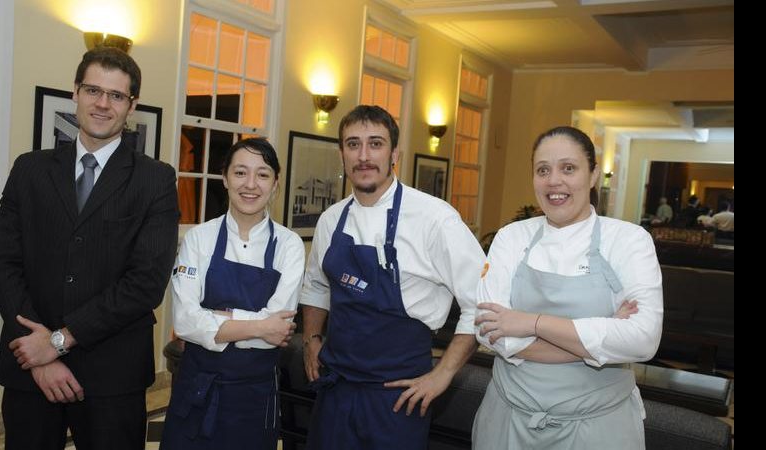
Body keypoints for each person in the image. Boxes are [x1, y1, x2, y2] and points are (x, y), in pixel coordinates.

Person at [0, 47, 180, 449]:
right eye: (93, 90)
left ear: (132, 105)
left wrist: (57, 341)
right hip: (30, 370)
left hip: (112, 374)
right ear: (75, 92)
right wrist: (40, 355)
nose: (103, 104)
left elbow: (145, 283)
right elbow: (4, 262)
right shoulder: (29, 169)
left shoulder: (155, 180)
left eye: (116, 95)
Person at [300, 105, 484, 450]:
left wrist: (442, 374)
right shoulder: (331, 219)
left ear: (394, 153)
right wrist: (311, 338)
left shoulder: (435, 219)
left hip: (399, 397)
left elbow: (484, 302)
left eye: (376, 144)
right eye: (353, 144)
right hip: (336, 388)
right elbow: (317, 286)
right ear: (342, 154)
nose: (364, 156)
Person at [472, 126, 663, 449]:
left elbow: (643, 339)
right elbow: (488, 331)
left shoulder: (628, 240)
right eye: (543, 170)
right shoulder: (511, 237)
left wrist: (532, 323)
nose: (554, 181)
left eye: (569, 168)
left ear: (592, 176)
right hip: (507, 421)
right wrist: (598, 343)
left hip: (599, 429)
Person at [160, 138, 305, 449]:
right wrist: (259, 326)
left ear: (275, 183)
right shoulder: (199, 238)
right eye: (240, 173)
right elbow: (185, 322)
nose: (250, 184)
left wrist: (219, 319)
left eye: (263, 174)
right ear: (224, 178)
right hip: (197, 391)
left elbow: (279, 329)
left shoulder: (289, 245)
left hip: (254, 398)